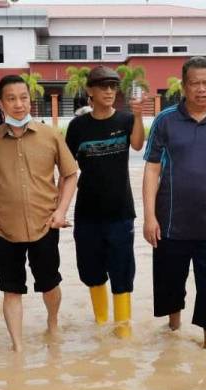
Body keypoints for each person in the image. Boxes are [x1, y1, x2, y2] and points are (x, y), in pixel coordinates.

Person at [143, 56, 206, 356]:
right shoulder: (165, 121)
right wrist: (150, 217)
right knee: (170, 282)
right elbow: (151, 168)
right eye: (194, 83)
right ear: (184, 86)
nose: (201, 89)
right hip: (170, 221)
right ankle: (174, 329)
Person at [0, 75, 78, 352]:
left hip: (45, 225)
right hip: (4, 228)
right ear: (2, 103)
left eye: (23, 97)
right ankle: (17, 347)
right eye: (11, 98)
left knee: (50, 283)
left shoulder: (50, 135)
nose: (19, 104)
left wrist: (61, 210)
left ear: (30, 99)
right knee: (11, 288)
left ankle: (52, 324)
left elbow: (70, 174)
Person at [65, 66, 145, 338]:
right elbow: (66, 170)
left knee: (122, 271)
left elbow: (137, 145)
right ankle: (101, 325)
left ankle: (123, 330)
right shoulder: (78, 127)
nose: (109, 91)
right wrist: (56, 208)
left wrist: (138, 115)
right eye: (103, 86)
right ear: (90, 91)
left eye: (113, 87)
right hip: (87, 213)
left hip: (121, 211)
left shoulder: (125, 120)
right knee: (91, 271)